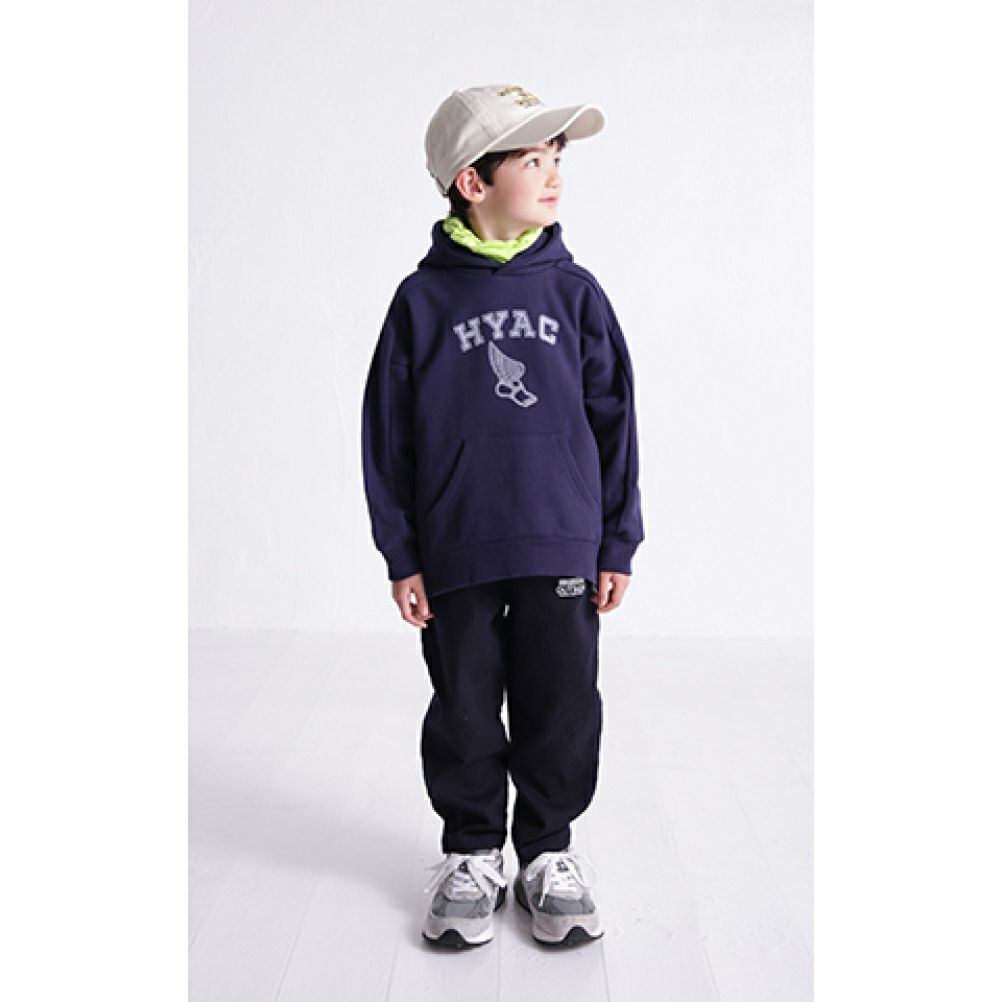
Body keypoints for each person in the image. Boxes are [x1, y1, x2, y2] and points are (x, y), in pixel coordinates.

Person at [360, 83, 644, 949]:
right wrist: (402, 553)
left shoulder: (576, 294)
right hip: (457, 545)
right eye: (532, 160)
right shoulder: (421, 303)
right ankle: (473, 851)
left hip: (561, 537)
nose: (554, 174)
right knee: (465, 704)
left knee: (562, 703)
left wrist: (617, 539)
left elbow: (616, 423)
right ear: (472, 182)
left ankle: (548, 852)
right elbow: (386, 438)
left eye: (558, 158)